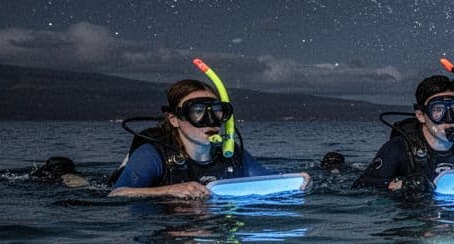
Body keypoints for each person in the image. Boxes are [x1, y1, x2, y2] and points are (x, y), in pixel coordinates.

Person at [109, 80, 308, 198]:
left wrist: (297, 181)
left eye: (217, 112)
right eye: (197, 112)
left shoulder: (231, 153)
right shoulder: (154, 154)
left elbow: (268, 180)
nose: (210, 121)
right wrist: (169, 190)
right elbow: (117, 194)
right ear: (175, 119)